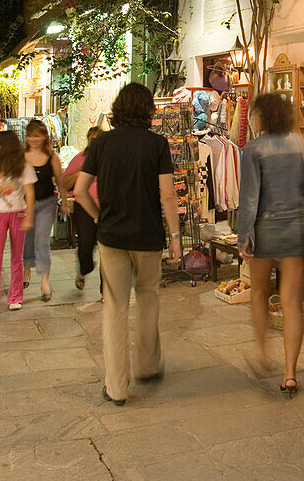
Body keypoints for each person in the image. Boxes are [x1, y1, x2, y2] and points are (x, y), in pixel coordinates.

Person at [74, 83, 182, 406]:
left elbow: (80, 190)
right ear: (148, 110)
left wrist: (97, 218)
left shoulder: (101, 143)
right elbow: (167, 194)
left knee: (115, 308)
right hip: (148, 237)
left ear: (119, 108)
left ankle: (117, 387)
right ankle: (147, 367)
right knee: (149, 299)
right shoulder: (157, 144)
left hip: (112, 238)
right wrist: (176, 237)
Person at [238, 92, 304, 397]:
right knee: (291, 302)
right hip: (297, 229)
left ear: (263, 116)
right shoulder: (303, 144)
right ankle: (289, 374)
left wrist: (243, 235)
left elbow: (249, 197)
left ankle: (263, 353)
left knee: (259, 292)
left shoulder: (254, 149)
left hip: (265, 228)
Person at [0, 131, 35, 316]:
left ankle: (15, 297)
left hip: (18, 213)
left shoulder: (24, 165)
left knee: (16, 257)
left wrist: (29, 216)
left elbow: (30, 193)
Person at [22, 119, 63, 302]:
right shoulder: (21, 156)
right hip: (23, 205)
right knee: (26, 240)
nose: (33, 139)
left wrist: (65, 202)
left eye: (37, 135)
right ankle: (26, 270)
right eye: (30, 135)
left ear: (45, 136)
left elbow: (60, 180)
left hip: (47, 203)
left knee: (41, 240)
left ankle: (45, 280)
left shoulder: (52, 157)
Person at [62, 126, 102, 290]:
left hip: (106, 208)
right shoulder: (79, 159)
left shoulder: (110, 158)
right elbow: (64, 183)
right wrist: (83, 172)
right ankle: (84, 270)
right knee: (85, 245)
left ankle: (105, 291)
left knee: (108, 251)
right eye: (91, 139)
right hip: (84, 207)